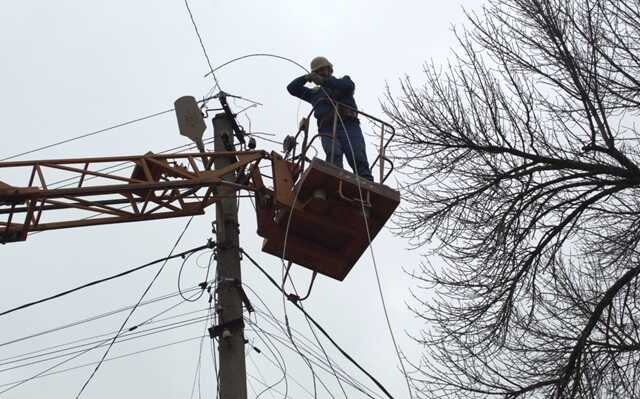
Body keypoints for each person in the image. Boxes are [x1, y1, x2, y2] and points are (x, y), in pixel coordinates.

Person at [287, 56, 374, 181]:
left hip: (349, 125)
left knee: (358, 156)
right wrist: (306, 78)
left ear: (330, 70)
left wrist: (324, 81)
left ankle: (367, 184)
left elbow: (348, 86)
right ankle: (335, 181)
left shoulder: (343, 82)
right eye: (318, 71)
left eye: (324, 69)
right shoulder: (314, 93)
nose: (322, 73)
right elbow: (292, 88)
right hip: (327, 128)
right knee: (333, 154)